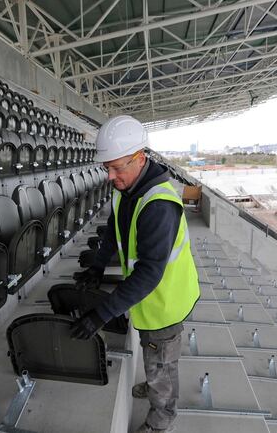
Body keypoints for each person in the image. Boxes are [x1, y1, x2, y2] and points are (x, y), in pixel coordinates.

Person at [70, 115, 200, 433]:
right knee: (154, 353)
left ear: (139, 158)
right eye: (107, 168)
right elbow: (114, 232)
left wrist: (101, 314)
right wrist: (97, 267)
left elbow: (149, 273)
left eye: (117, 167)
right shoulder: (126, 189)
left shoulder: (159, 205)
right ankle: (155, 384)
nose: (111, 176)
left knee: (162, 359)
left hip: (165, 302)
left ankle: (162, 417)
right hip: (148, 301)